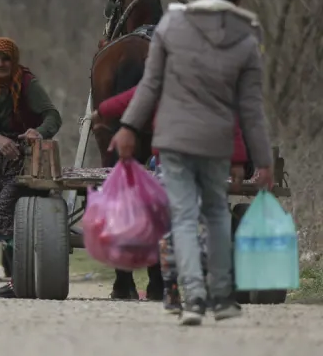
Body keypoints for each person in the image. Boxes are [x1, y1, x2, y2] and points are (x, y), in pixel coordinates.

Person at [111, 0, 273, 325]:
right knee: (216, 214)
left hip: (174, 139)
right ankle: (221, 296)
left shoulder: (172, 25)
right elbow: (251, 108)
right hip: (216, 143)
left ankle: (194, 297)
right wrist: (261, 160)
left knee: (182, 217)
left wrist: (127, 127)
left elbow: (150, 86)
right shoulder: (247, 40)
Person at [94, 84, 251, 313]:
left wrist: (103, 110)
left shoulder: (168, 69)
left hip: (171, 155)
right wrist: (238, 157)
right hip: (211, 156)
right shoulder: (216, 71)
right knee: (210, 221)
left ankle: (172, 287)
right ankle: (210, 289)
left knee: (173, 224)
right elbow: (231, 117)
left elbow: (138, 96)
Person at [0, 37, 63, 299]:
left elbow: (53, 116)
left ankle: (19, 278)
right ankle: (23, 246)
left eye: (5, 59)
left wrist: (38, 132)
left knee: (1, 216)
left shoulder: (29, 84)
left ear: (14, 60)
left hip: (26, 158)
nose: (0, 65)